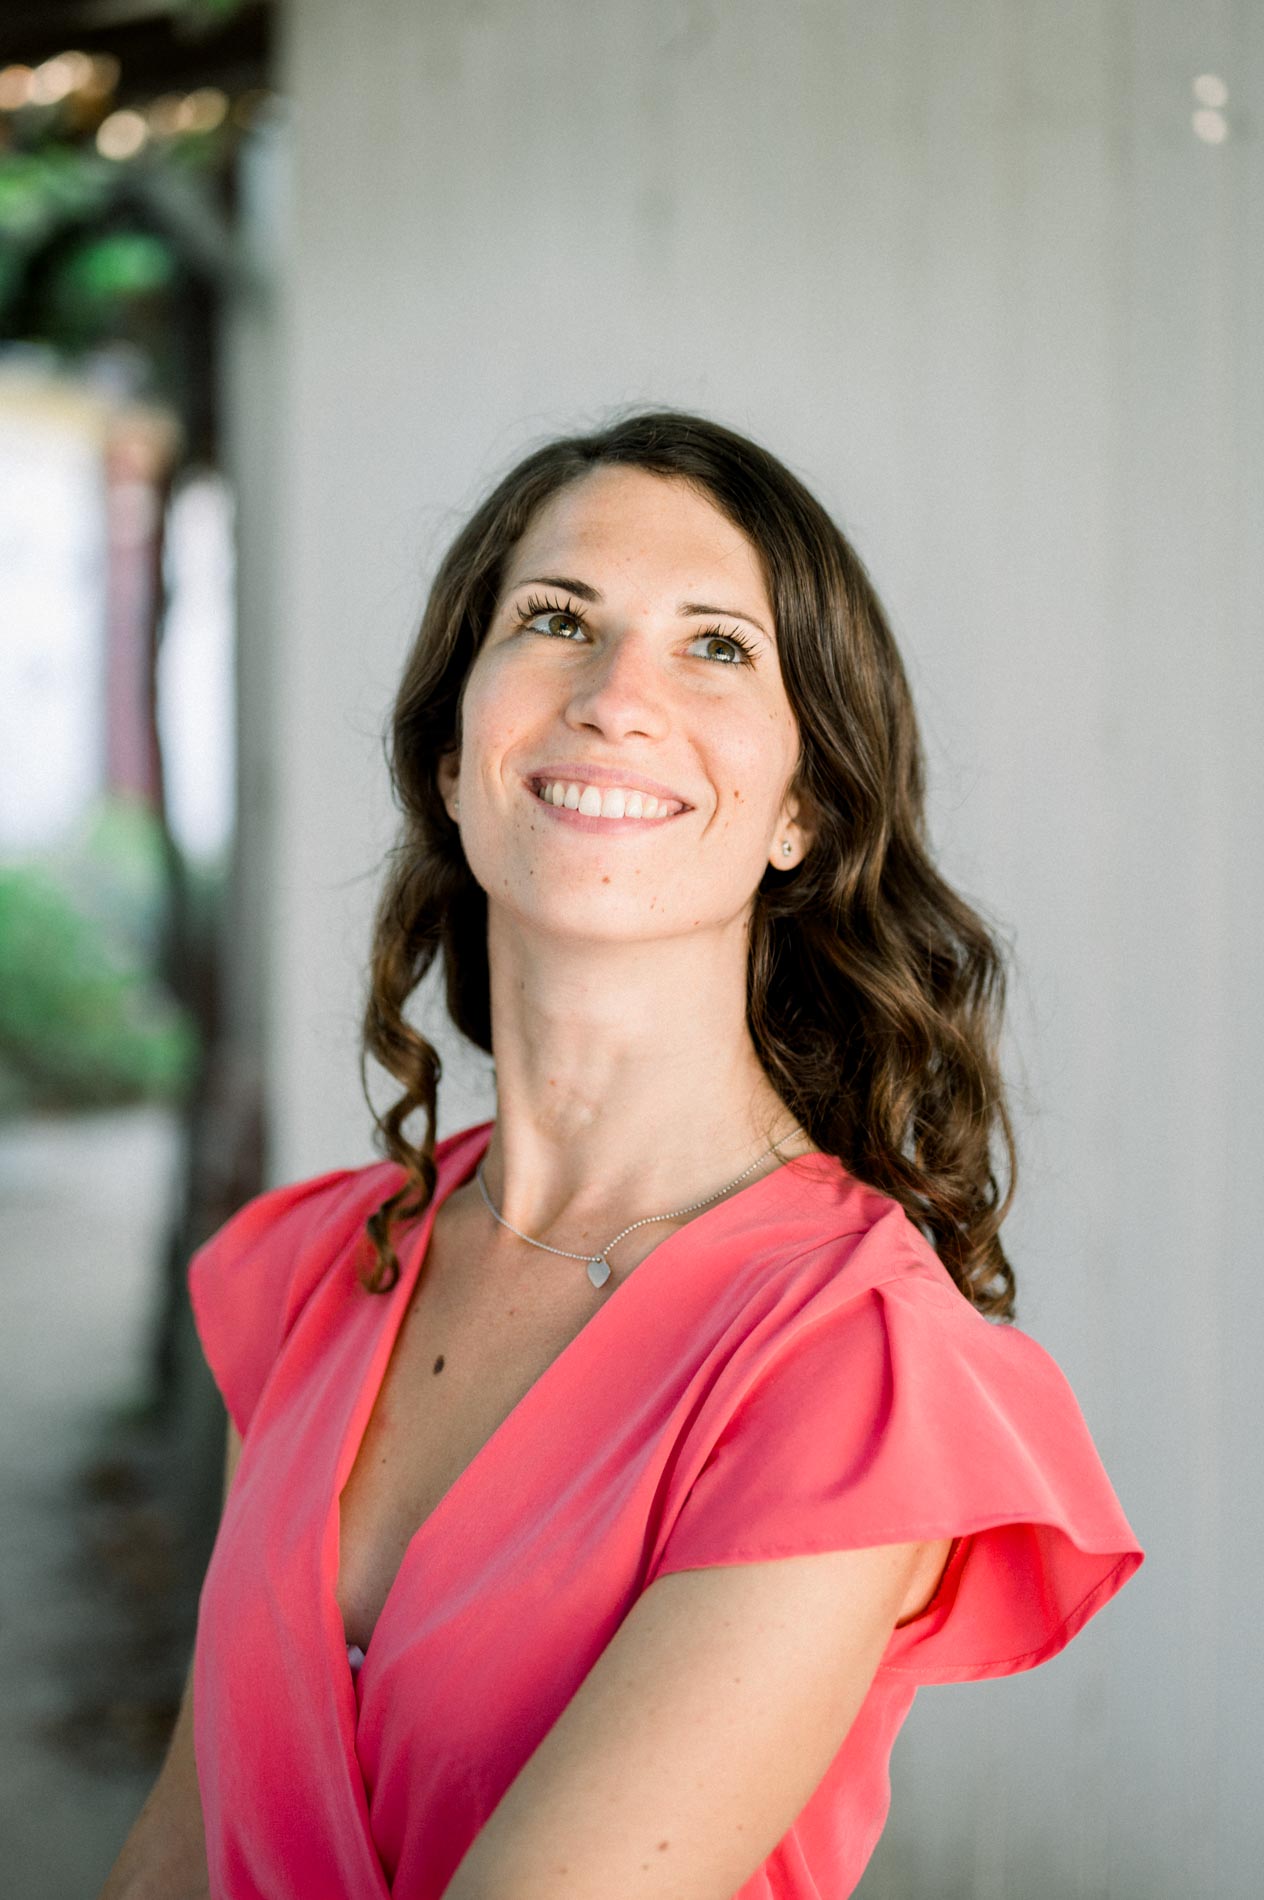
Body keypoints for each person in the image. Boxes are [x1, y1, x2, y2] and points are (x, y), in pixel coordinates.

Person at [101, 408, 1144, 1900]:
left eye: (717, 645)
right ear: (455, 760)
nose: (615, 694)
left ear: (803, 808)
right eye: (555, 619)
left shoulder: (850, 1364)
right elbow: (175, 1854)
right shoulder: (317, 1269)